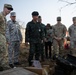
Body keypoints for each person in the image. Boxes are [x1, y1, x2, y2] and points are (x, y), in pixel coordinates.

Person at [0, 4, 13, 71]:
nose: (9, 11)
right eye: (8, 9)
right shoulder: (0, 16)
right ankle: (4, 67)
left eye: (10, 10)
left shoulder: (4, 17)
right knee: (4, 52)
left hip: (3, 36)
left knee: (3, 52)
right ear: (4, 8)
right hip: (0, 36)